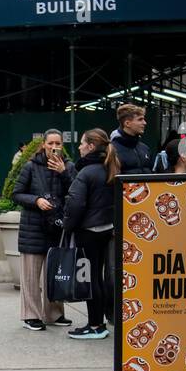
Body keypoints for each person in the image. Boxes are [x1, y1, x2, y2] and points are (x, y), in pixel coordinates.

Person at [62, 129, 118, 340]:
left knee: (90, 279)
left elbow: (75, 204)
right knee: (100, 277)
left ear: (91, 146)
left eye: (82, 143)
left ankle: (95, 325)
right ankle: (99, 323)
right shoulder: (110, 167)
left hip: (88, 232)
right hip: (106, 229)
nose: (79, 147)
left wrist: (67, 225)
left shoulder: (86, 172)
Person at [13, 129, 71, 330]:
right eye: (51, 143)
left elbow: (74, 192)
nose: (54, 147)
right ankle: (31, 315)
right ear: (43, 145)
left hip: (56, 227)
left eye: (58, 144)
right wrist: (36, 200)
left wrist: (64, 172)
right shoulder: (30, 166)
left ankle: (54, 313)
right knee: (30, 275)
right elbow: (17, 194)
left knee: (54, 273)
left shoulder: (68, 166)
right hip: (33, 227)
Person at [110, 104, 153, 174]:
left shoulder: (145, 148)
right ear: (127, 123)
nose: (145, 123)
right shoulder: (111, 150)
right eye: (140, 119)